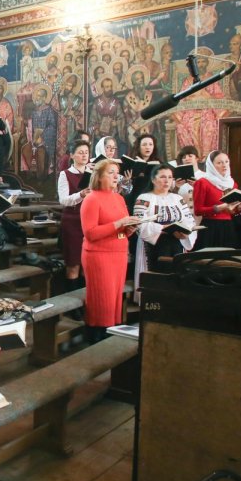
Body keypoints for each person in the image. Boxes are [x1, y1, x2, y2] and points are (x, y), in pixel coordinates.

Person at [80, 159, 137, 343]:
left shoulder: (119, 198)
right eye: (111, 172)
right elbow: (90, 233)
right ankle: (96, 335)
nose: (115, 176)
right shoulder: (92, 198)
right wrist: (119, 224)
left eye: (117, 173)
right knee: (101, 298)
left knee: (114, 298)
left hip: (118, 254)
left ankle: (111, 332)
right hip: (99, 255)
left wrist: (130, 228)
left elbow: (121, 230)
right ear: (99, 176)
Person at [132, 164, 195, 297]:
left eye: (170, 177)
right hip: (154, 243)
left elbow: (189, 220)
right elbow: (139, 224)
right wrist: (163, 228)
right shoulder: (144, 198)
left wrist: (185, 232)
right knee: (157, 278)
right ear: (154, 179)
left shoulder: (177, 198)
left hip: (176, 242)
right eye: (162, 177)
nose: (167, 180)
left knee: (175, 276)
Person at [192, 150, 241, 248]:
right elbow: (198, 210)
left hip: (228, 227)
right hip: (210, 227)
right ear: (211, 165)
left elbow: (232, 211)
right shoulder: (203, 182)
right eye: (219, 163)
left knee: (227, 261)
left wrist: (240, 208)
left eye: (226, 161)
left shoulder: (232, 184)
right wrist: (219, 207)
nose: (224, 165)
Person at [58, 138, 92, 286]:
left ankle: (86, 303)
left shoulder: (93, 173)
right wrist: (81, 195)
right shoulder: (65, 174)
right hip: (72, 222)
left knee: (88, 265)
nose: (84, 156)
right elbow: (63, 200)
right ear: (72, 155)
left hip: (90, 221)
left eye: (86, 153)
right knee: (73, 265)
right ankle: (72, 306)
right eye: (80, 153)